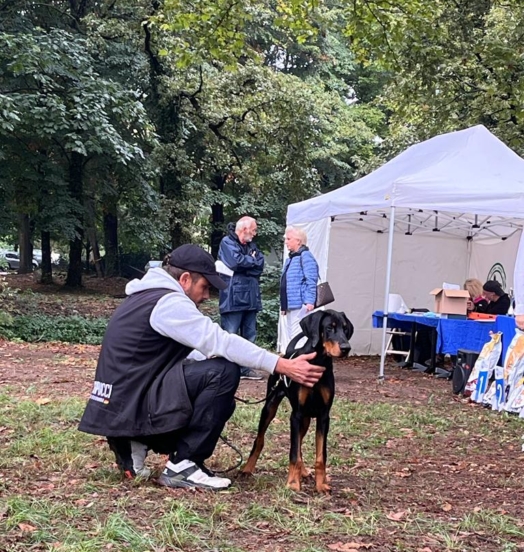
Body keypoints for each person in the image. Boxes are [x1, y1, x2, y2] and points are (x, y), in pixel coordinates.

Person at [78, 244, 322, 491]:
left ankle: (133, 442)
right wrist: (281, 364)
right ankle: (184, 464)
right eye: (205, 287)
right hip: (131, 406)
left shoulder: (143, 297)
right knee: (223, 372)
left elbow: (185, 351)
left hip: (118, 407)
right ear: (185, 279)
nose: (207, 296)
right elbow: (220, 341)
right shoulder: (168, 302)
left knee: (216, 383)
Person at [217, 216, 265, 380]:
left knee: (249, 335)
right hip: (232, 298)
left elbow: (260, 265)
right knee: (230, 334)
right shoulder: (227, 242)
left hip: (251, 297)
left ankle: (245, 369)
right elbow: (235, 263)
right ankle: (225, 369)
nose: (255, 234)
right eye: (254, 230)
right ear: (244, 229)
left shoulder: (251, 245)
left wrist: (248, 263)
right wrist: (251, 261)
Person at [279, 226, 319, 353]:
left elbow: (311, 280)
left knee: (299, 337)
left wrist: (309, 302)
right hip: (291, 305)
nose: (286, 241)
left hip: (301, 306)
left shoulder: (305, 256)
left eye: (289, 239)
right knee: (293, 336)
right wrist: (284, 306)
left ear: (298, 241)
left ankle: (300, 364)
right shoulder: (291, 258)